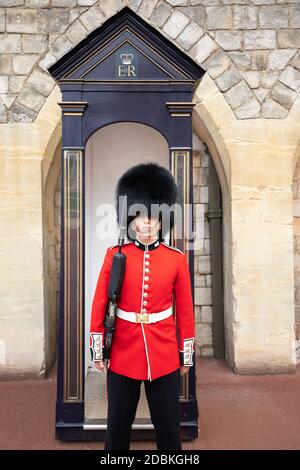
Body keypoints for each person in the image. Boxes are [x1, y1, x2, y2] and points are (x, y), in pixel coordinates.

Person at [89, 162, 195, 450]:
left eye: (153, 215)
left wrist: (185, 355)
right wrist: (98, 349)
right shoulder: (116, 255)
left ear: (163, 219)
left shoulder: (176, 259)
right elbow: (100, 303)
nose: (147, 222)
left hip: (163, 353)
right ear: (131, 218)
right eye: (140, 215)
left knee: (169, 429)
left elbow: (184, 310)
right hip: (123, 350)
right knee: (117, 429)